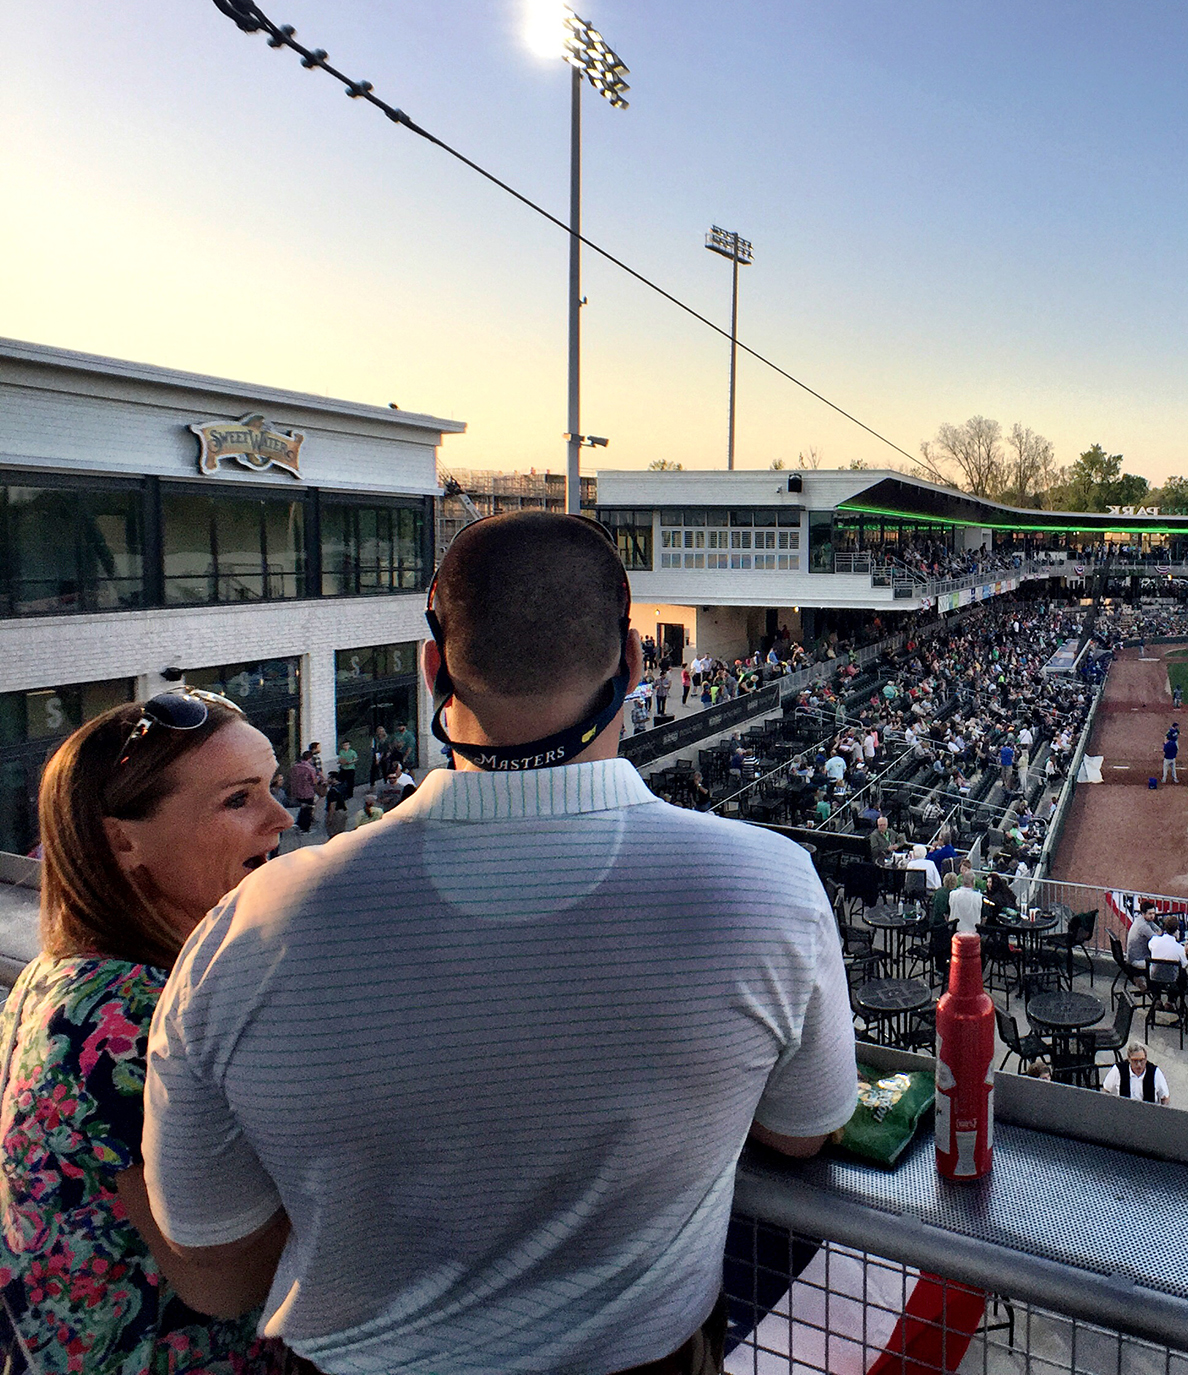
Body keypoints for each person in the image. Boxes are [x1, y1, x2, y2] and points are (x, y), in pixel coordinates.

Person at [142, 511, 859, 1374]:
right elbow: (805, 1129)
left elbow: (215, 1268)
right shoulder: (770, 885)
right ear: (634, 665)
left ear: (433, 667)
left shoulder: (244, 927)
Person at [0, 688, 294, 1371]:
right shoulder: (129, 1016)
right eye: (238, 798)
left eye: (271, 788)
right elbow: (219, 1281)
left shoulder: (66, 970)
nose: (281, 816)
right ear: (122, 839)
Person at [1101, 1043, 1169, 1105]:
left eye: (1142, 1060)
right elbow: (1106, 1091)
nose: (1139, 1065)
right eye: (1135, 1061)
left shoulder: (1155, 1072)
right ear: (1129, 1059)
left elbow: (1165, 1097)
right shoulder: (1118, 1070)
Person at [287, 749, 323, 835]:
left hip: (297, 792)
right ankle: (305, 829)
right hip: (308, 792)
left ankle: (299, 823)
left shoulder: (295, 767)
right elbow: (314, 781)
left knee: (302, 808)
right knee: (308, 810)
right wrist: (319, 779)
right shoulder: (310, 768)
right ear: (309, 758)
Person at [1124, 900, 1161, 965]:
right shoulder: (1142, 925)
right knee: (1160, 965)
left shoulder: (1145, 919)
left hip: (1142, 957)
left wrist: (1158, 933)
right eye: (1150, 914)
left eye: (1153, 913)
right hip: (1137, 960)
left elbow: (1158, 929)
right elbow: (1156, 939)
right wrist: (1158, 933)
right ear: (1143, 914)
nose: (1152, 916)